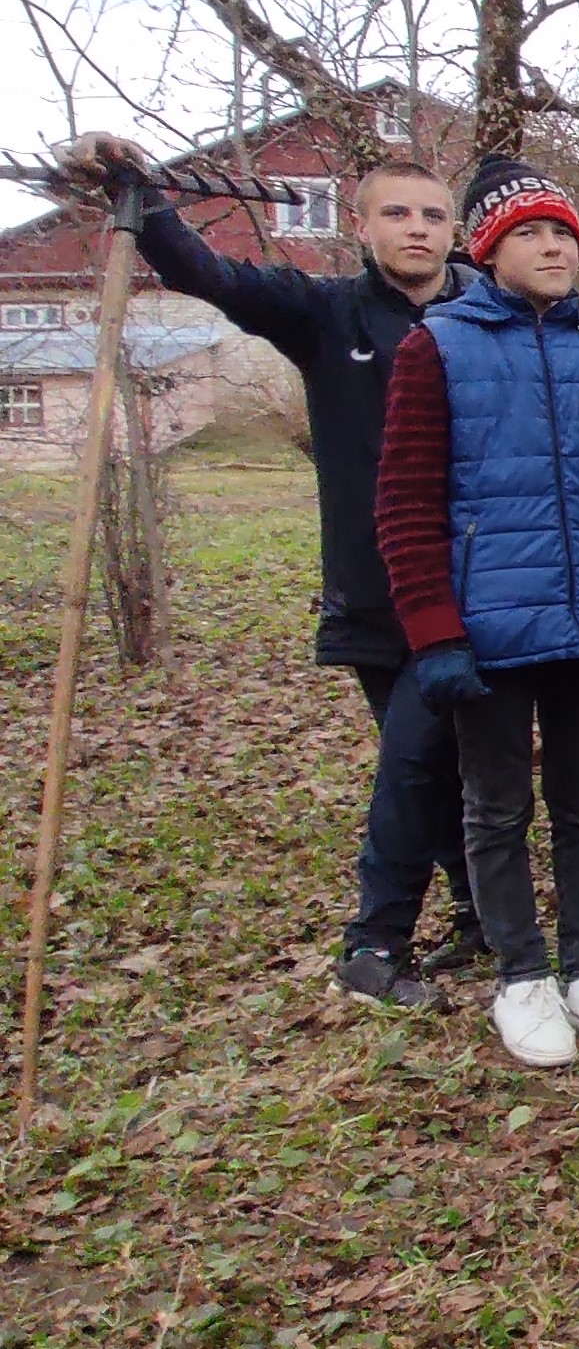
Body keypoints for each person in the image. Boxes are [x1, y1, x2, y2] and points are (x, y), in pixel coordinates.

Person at [49, 133, 476, 1008]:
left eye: (434, 215)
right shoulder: (325, 314)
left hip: (480, 585)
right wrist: (148, 205)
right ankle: (374, 943)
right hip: (375, 588)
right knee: (414, 762)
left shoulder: (485, 316)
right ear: (360, 229)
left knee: (443, 762)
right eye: (396, 213)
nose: (418, 230)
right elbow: (212, 276)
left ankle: (469, 918)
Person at [375, 157, 579, 1067]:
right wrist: (434, 631)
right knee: (495, 810)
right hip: (487, 630)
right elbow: (406, 502)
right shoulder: (438, 346)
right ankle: (521, 978)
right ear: (489, 249)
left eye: (563, 234)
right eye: (529, 233)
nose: (551, 247)